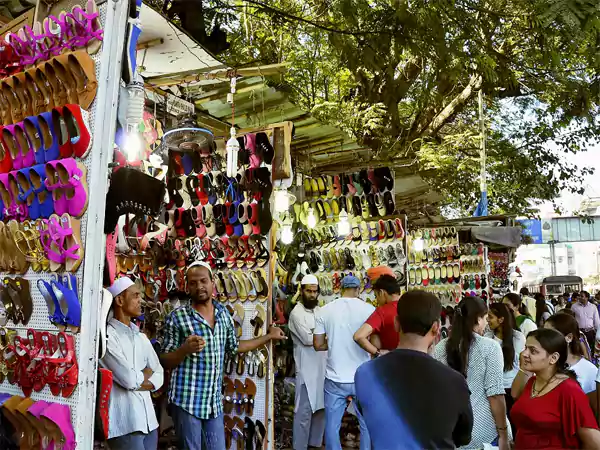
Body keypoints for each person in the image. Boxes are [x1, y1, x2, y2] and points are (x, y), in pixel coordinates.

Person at [160, 262, 286, 450]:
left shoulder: (223, 316)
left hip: (213, 403)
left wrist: (268, 337)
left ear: (213, 283)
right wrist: (184, 350)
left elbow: (234, 347)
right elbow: (164, 360)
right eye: (193, 283)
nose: (199, 286)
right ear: (187, 286)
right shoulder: (177, 317)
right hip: (186, 401)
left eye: (203, 281)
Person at [355, 290, 473, 449]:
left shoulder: (365, 373)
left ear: (396, 323)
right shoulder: (455, 381)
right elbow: (463, 438)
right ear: (436, 328)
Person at [433, 297, 511, 450]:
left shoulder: (440, 347)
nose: (486, 323)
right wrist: (503, 434)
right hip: (485, 432)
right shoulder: (490, 347)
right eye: (485, 318)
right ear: (477, 319)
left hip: (451, 432)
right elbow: (495, 395)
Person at [100, 277, 164, 450]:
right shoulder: (106, 337)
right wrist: (145, 374)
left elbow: (159, 372)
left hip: (149, 421)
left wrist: (145, 380)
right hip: (125, 422)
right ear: (120, 300)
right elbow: (128, 379)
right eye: (135, 295)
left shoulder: (141, 337)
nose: (140, 301)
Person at [510, 328, 600, 448]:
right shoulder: (532, 382)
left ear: (553, 358)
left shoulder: (569, 390)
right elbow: (515, 394)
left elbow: (594, 442)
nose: (524, 354)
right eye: (525, 348)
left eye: (533, 351)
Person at [313, 275, 374, 450]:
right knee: (366, 424)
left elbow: (317, 344)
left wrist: (332, 342)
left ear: (340, 289)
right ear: (358, 289)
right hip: (361, 377)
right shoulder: (369, 309)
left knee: (332, 426)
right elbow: (374, 341)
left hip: (335, 378)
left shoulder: (324, 311)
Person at [288, 274, 327, 450]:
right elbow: (307, 339)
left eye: (314, 291)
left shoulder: (320, 312)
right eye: (309, 291)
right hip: (305, 370)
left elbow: (322, 337)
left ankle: (315, 445)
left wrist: (321, 337)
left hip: (322, 368)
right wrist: (324, 338)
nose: (312, 295)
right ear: (301, 291)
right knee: (303, 413)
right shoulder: (296, 314)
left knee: (320, 410)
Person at [485, 303, 526, 417]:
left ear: (501, 319)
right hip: (494, 389)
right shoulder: (487, 338)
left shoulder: (518, 337)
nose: (488, 320)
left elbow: (521, 364)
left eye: (491, 317)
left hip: (513, 389)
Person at [544, 313, 597, 394]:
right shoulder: (543, 363)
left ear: (569, 337)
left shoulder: (590, 370)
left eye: (551, 335)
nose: (544, 340)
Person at [353, 275, 402, 355]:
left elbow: (358, 336)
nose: (377, 300)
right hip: (416, 361)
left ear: (382, 293)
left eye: (376, 296)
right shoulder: (413, 306)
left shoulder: (382, 311)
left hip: (390, 361)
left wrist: (378, 353)